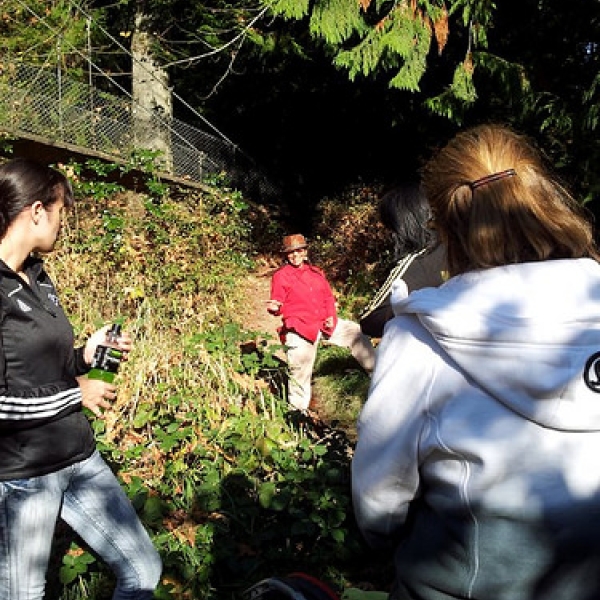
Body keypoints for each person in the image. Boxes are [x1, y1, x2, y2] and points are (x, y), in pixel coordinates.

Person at [352, 124, 600, 600]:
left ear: (446, 228)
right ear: (546, 199)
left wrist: (383, 541)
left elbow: (380, 493)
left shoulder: (420, 334)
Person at [0, 158, 162, 599]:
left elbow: (38, 364)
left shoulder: (35, 274)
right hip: (24, 475)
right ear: (36, 211)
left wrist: (84, 354)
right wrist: (76, 394)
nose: (61, 223)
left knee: (143, 569)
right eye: (58, 212)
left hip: (78, 457)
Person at [267, 234, 375, 412]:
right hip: (299, 327)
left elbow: (327, 297)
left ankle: (377, 376)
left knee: (356, 332)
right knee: (299, 371)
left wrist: (330, 316)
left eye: (299, 251)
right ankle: (298, 415)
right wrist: (274, 308)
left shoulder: (316, 273)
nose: (295, 256)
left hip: (323, 323)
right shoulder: (281, 276)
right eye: (291, 253)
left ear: (305, 252)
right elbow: (277, 302)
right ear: (286, 255)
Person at [359, 183, 446, 338]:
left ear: (400, 227)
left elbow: (369, 319)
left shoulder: (414, 263)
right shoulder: (463, 248)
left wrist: (407, 307)